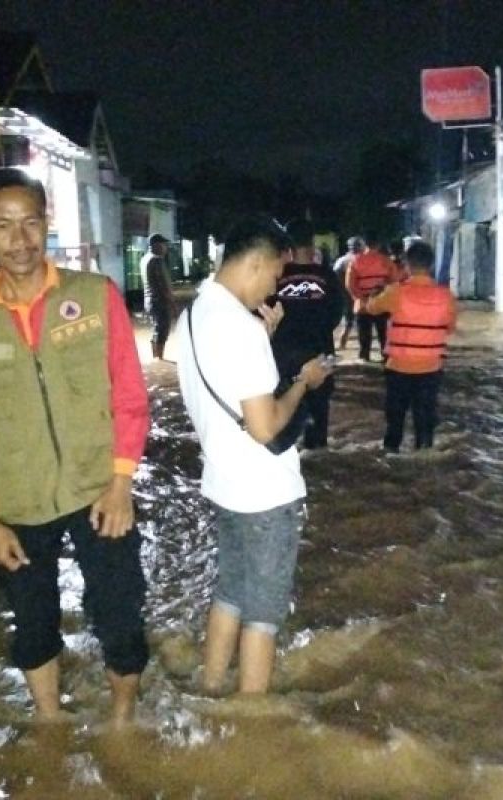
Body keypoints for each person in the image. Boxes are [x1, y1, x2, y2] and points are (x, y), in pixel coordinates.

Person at [0, 167, 150, 724]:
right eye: (4, 226)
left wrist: (121, 482)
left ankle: (123, 720)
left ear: (46, 223)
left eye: (31, 223)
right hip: (17, 502)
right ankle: (50, 722)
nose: (20, 240)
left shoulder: (94, 296)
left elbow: (130, 397)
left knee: (121, 613)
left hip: (98, 491)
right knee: (33, 623)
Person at [174, 216, 333, 694]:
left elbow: (228, 381)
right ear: (257, 263)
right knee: (263, 615)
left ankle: (211, 685)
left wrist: (264, 337)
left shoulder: (194, 315)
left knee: (230, 594)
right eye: (272, 277)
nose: (272, 288)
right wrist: (304, 382)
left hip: (223, 484)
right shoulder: (239, 328)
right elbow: (264, 426)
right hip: (264, 493)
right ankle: (251, 723)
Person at [366, 239, 457, 452]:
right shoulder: (447, 296)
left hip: (398, 368)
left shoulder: (396, 292)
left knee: (394, 423)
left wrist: (375, 294)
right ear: (431, 265)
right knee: (425, 424)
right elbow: (449, 328)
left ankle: (391, 458)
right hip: (430, 370)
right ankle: (424, 459)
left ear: (407, 264)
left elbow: (371, 309)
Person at [271, 219, 345, 449]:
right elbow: (337, 313)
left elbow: (263, 312)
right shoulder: (327, 276)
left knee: (283, 427)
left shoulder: (275, 276)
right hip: (319, 353)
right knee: (318, 419)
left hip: (282, 358)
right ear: (312, 242)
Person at [345, 232, 398, 361]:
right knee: (384, 333)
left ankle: (365, 357)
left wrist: (360, 298)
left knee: (364, 334)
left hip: (363, 304)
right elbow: (394, 282)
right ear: (379, 244)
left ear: (364, 244)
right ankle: (386, 358)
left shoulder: (356, 261)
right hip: (382, 304)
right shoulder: (387, 261)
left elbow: (349, 284)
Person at [142, 233, 176, 360]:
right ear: (155, 245)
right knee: (162, 330)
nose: (165, 247)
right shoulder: (156, 260)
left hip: (150, 301)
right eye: (163, 244)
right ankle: (159, 358)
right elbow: (164, 285)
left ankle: (156, 358)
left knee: (157, 328)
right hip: (160, 301)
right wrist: (172, 303)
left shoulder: (145, 259)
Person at [333, 236, 362, 351]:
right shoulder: (361, 259)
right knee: (359, 319)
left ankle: (342, 343)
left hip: (344, 293)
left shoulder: (342, 260)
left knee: (348, 319)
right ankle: (345, 342)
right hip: (357, 293)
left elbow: (334, 275)